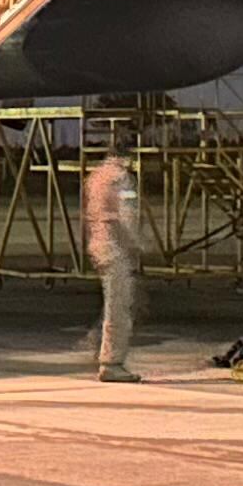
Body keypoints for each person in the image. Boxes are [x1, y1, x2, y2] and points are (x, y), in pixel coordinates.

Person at [82, 152, 144, 382]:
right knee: (119, 307)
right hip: (115, 246)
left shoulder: (95, 176)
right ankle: (112, 362)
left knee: (111, 302)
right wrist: (136, 243)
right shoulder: (119, 177)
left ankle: (98, 344)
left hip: (98, 245)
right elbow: (126, 214)